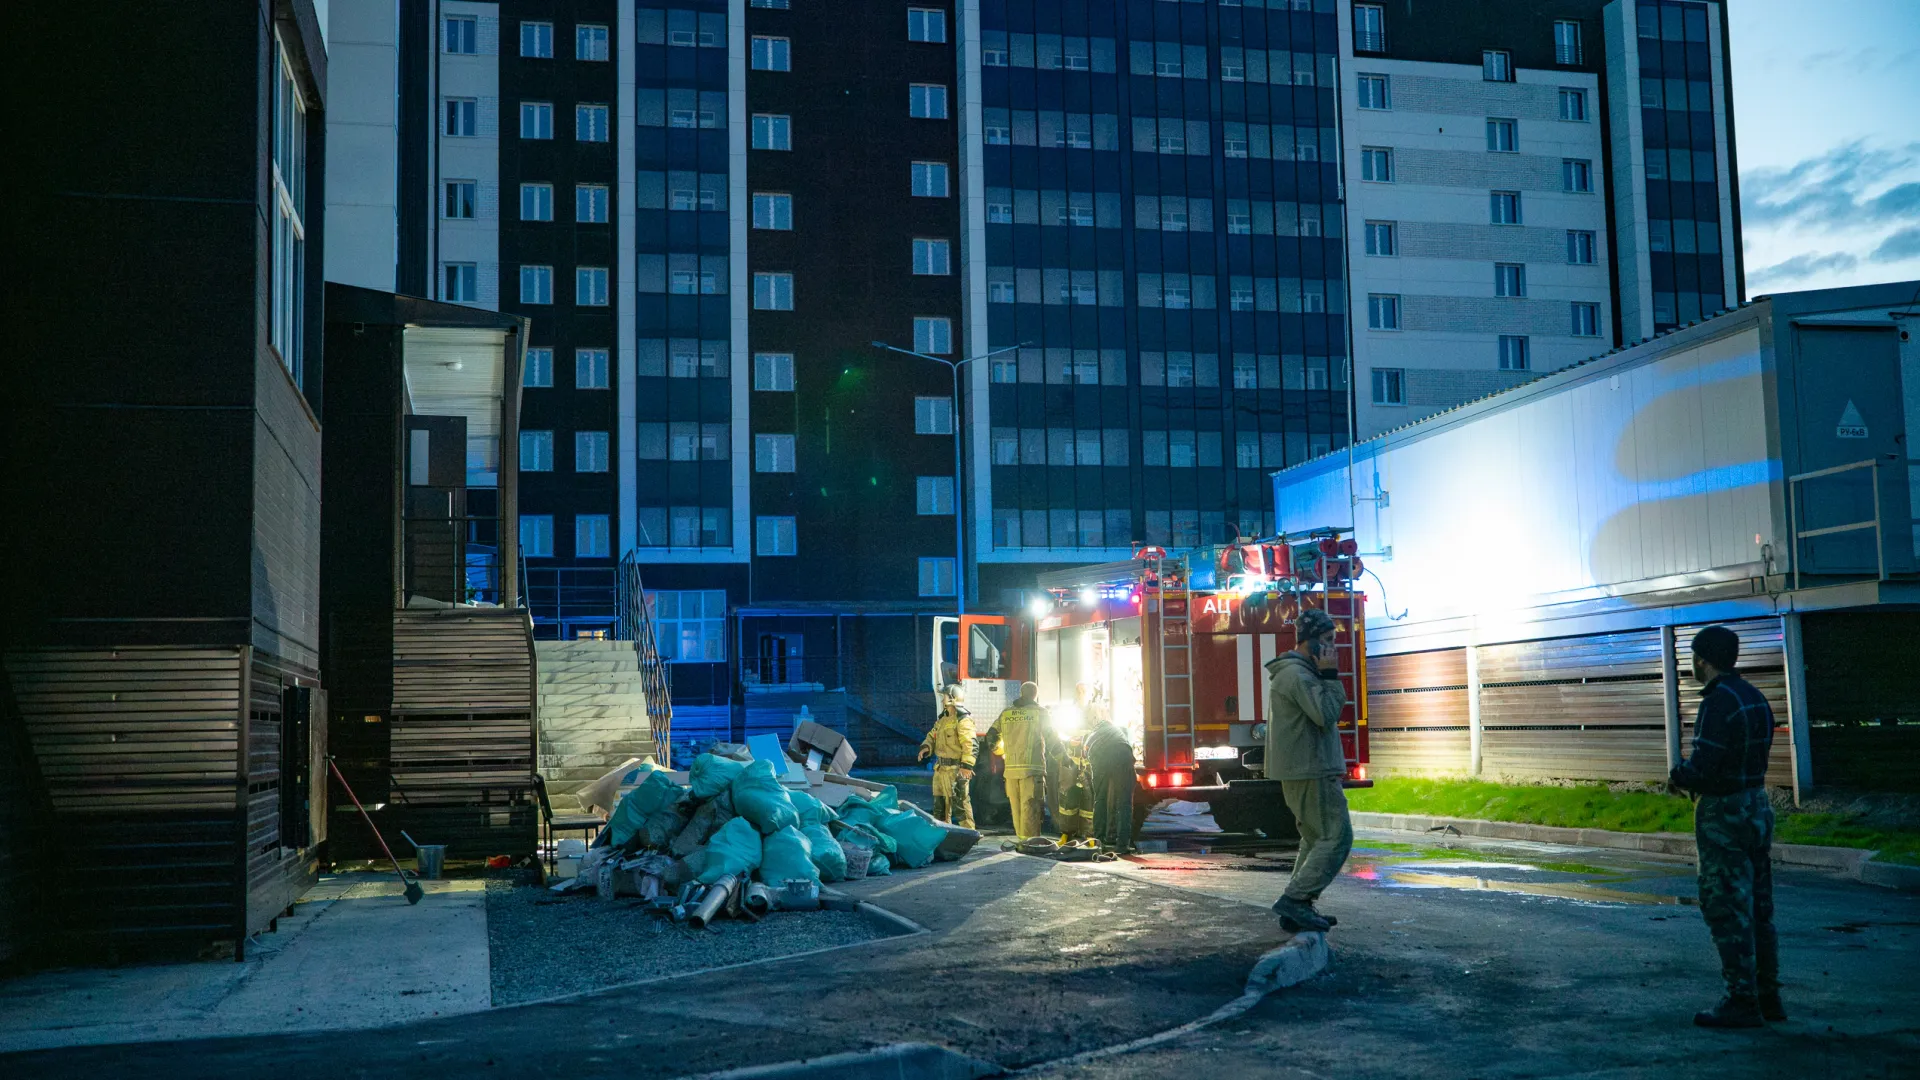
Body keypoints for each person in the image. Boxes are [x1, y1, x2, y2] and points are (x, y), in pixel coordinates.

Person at [1669, 625, 1783, 1028]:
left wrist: (1678, 775)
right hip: (1757, 804)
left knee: (1726, 907)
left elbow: (1705, 764)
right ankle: (1769, 997)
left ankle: (1741, 1001)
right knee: (1759, 907)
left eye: (1693, 658)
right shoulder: (1754, 697)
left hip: (1724, 813)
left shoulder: (1718, 703)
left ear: (1702, 659)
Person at [1264, 607, 1352, 934]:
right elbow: (1325, 713)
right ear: (1310, 641)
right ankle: (1296, 900)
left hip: (1306, 767)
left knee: (1316, 838)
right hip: (1310, 768)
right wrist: (1330, 677)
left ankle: (1298, 906)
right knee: (1337, 837)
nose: (1333, 648)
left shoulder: (1298, 672)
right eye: (1328, 640)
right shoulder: (1298, 675)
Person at [984, 681, 1050, 839]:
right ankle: (1031, 845)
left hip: (1011, 772)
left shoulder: (1007, 713)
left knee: (1017, 810)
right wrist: (1064, 758)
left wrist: (1001, 750)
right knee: (1031, 809)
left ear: (1021, 693)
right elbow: (1051, 737)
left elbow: (991, 736)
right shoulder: (1040, 713)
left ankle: (1022, 842)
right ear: (1035, 695)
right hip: (1031, 771)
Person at [917, 684, 977, 828]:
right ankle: (944, 832)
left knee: (960, 804)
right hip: (941, 770)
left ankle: (969, 834)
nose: (942, 699)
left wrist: (967, 767)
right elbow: (932, 735)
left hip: (955, 770)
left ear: (952, 698)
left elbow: (970, 744)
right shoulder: (942, 720)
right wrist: (926, 747)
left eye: (944, 696)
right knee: (940, 805)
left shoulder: (963, 720)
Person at [1085, 698, 1136, 853]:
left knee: (1100, 799)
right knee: (1124, 802)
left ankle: (1099, 841)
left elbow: (1087, 754)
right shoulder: (1117, 730)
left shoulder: (1091, 735)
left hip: (1100, 757)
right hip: (1123, 755)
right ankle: (1122, 845)